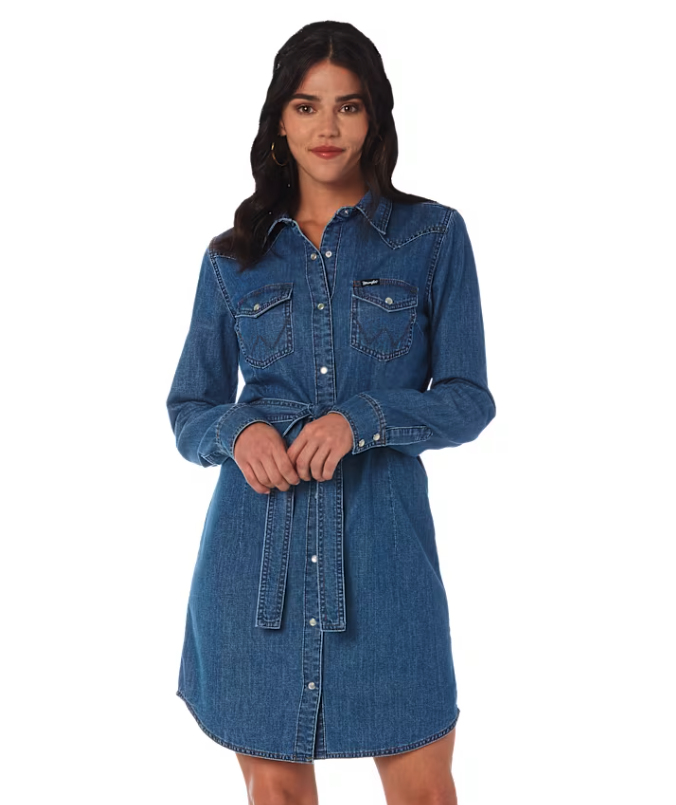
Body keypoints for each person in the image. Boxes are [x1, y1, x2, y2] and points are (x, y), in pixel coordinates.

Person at [166, 19, 496, 805]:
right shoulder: (232, 257)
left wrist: (364, 419)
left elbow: (468, 399)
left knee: (424, 790)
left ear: (374, 117)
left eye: (348, 106)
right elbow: (190, 406)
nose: (328, 127)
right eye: (307, 105)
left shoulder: (433, 237)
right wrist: (238, 429)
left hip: (386, 562)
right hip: (257, 569)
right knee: (276, 795)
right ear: (280, 120)